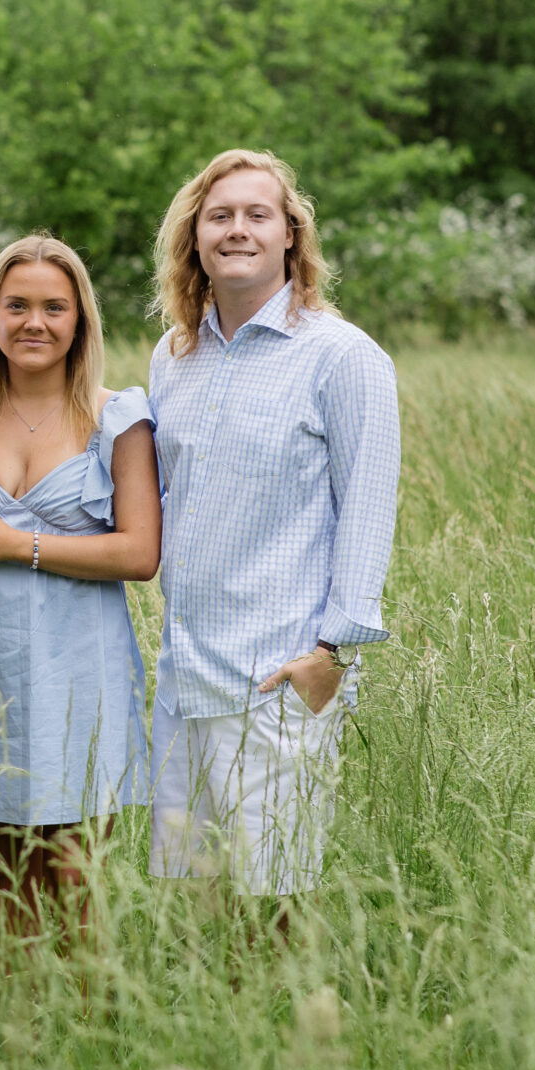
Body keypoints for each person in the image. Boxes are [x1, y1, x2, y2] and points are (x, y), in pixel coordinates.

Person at [143, 149, 400, 904]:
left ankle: (291, 1024)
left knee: (276, 903)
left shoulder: (342, 357)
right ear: (195, 238)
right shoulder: (173, 355)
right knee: (193, 899)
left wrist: (333, 655)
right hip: (185, 676)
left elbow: (367, 509)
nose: (237, 229)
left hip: (278, 679)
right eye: (219, 216)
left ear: (291, 234)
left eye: (258, 214)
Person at [0, 235, 161, 932]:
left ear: (80, 320)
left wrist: (13, 543)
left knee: (72, 874)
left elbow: (140, 551)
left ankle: (78, 1029)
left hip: (79, 665)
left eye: (55, 307)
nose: (35, 322)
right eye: (17, 304)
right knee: (3, 877)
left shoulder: (117, 417)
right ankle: (12, 1029)